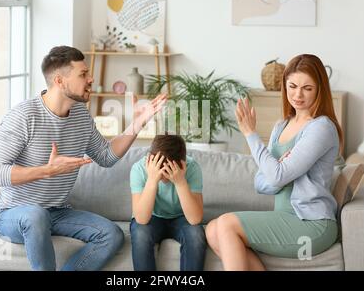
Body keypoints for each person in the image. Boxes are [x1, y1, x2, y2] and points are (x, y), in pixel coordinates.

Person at [0, 46, 167, 271]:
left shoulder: (81, 115)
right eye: (83, 74)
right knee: (36, 215)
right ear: (60, 81)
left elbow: (106, 156)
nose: (91, 79)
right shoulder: (23, 116)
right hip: (14, 214)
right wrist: (47, 170)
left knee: (110, 234)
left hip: (57, 211)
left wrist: (137, 124)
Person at [205, 54, 344, 271]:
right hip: (284, 217)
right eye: (293, 86)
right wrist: (280, 172)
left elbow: (275, 175)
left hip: (312, 225)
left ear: (319, 89)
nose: (298, 94)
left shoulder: (321, 127)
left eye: (307, 88)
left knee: (225, 224)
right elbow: (261, 183)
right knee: (212, 229)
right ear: (284, 85)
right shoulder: (281, 126)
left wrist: (251, 135)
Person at [129, 135, 206, 271]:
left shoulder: (192, 168)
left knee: (195, 234)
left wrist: (180, 182)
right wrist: (152, 180)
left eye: (168, 171)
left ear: (182, 164)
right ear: (151, 160)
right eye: (160, 170)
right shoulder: (139, 169)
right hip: (151, 217)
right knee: (140, 234)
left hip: (182, 218)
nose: (164, 177)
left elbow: (195, 219)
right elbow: (141, 219)